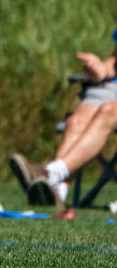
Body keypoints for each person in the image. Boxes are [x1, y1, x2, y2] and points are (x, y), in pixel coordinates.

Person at [10, 32, 117, 206]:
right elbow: (114, 61)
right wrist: (100, 68)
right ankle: (58, 191)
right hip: (112, 87)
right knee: (75, 122)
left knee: (108, 110)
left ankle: (49, 174)